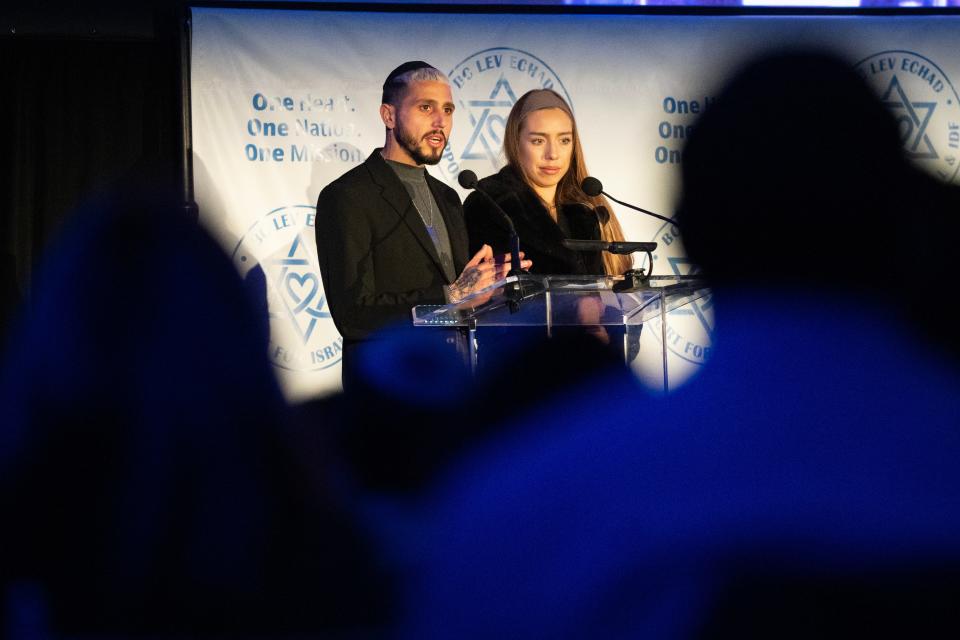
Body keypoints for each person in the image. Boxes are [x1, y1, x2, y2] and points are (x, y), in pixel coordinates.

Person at [315, 61, 528, 389]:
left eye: (447, 109)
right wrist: (451, 294)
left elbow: (460, 303)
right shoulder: (348, 196)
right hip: (387, 392)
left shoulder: (448, 198)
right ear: (388, 115)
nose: (440, 121)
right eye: (425, 107)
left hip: (453, 383)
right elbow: (353, 315)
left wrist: (487, 290)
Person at [463, 88, 631, 278]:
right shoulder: (488, 206)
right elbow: (479, 295)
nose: (553, 154)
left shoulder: (589, 206)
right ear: (515, 142)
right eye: (538, 141)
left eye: (564, 140)